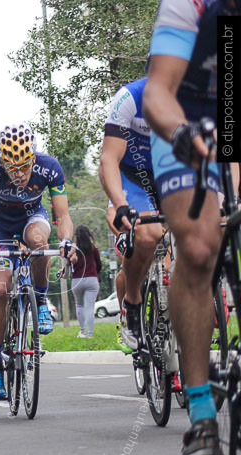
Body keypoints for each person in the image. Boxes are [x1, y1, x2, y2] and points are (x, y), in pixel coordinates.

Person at [142, 0, 239, 455]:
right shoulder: (191, 4)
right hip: (181, 112)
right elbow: (157, 93)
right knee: (199, 250)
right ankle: (201, 414)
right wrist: (183, 134)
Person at [0, 124, 76, 400]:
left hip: (34, 216)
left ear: (33, 158)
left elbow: (63, 215)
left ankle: (41, 302)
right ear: (2, 161)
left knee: (39, 244)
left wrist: (67, 240)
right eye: (12, 168)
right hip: (0, 225)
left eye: (24, 167)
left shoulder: (49, 166)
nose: (18, 174)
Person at [98, 77, 163, 351]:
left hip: (169, 173)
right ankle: (133, 301)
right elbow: (109, 158)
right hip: (131, 175)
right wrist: (119, 202)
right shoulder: (129, 97)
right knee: (148, 235)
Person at [70, 225, 102, 338]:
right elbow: (99, 264)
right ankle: (90, 334)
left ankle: (82, 331)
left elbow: (69, 264)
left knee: (79, 305)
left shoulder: (73, 249)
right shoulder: (93, 248)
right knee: (90, 307)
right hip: (91, 280)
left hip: (77, 280)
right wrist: (94, 274)